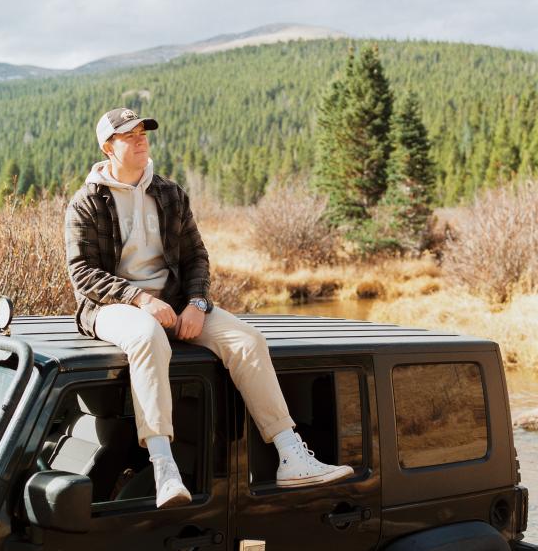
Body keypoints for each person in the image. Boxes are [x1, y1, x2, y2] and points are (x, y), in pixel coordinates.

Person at [65, 107, 353, 508]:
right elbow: (83, 273)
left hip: (178, 304)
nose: (140, 139)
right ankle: (164, 465)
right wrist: (140, 298)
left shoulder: (169, 193)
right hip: (111, 306)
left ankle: (292, 455)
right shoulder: (86, 202)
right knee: (147, 337)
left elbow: (196, 257)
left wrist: (197, 303)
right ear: (107, 147)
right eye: (128, 135)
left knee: (247, 340)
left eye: (142, 131)